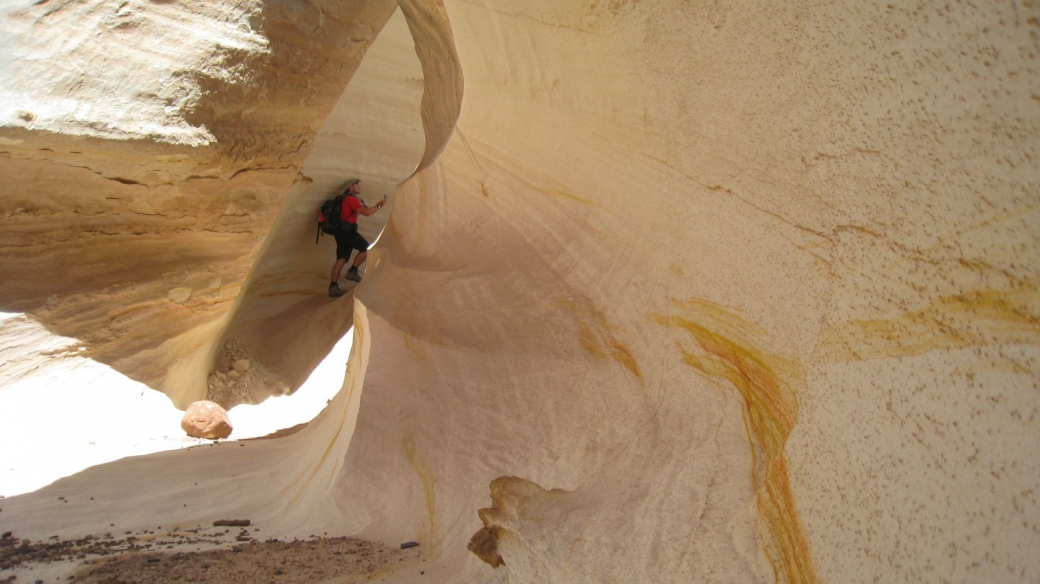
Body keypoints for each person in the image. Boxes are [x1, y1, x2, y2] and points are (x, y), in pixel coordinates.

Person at [328, 179, 386, 297]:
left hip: (340, 232)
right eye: (356, 185)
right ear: (350, 187)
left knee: (341, 259)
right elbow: (367, 212)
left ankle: (333, 287)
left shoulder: (344, 199)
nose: (359, 187)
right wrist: (379, 205)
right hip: (348, 231)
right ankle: (353, 271)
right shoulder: (350, 199)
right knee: (366, 249)